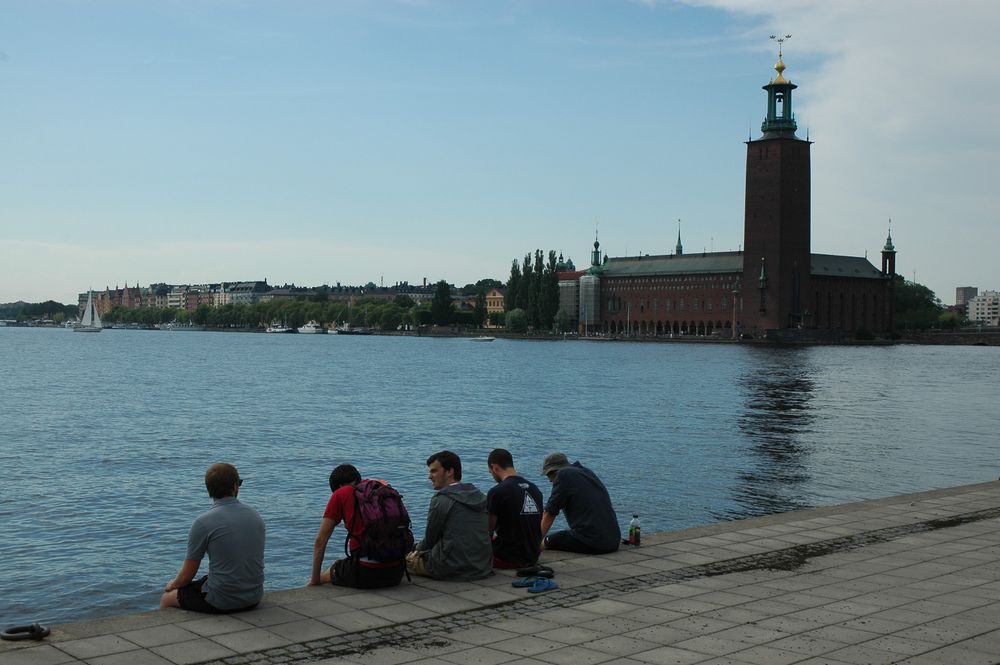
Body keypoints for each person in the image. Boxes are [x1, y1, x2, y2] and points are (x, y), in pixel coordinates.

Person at [161, 463, 265, 613]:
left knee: (167, 598)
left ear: (209, 489)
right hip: (254, 597)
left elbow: (186, 577)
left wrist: (171, 586)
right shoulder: (255, 516)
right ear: (235, 486)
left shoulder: (203, 522)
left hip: (222, 601)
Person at [308, 464, 406, 589]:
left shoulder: (341, 493)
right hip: (396, 572)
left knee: (327, 574)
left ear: (339, 487)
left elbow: (320, 541)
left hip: (365, 573)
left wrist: (315, 581)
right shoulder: (380, 487)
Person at [406, 450, 492, 581]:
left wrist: (412, 550)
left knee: (402, 561)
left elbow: (430, 540)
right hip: (482, 566)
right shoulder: (479, 496)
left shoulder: (441, 500)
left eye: (434, 471)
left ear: (450, 472)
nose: (429, 476)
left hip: (451, 568)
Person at [539, 452, 620, 555]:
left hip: (594, 542)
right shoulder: (586, 472)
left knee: (546, 541)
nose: (551, 483)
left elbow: (549, 513)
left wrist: (534, 541)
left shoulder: (563, 474)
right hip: (613, 540)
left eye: (549, 478)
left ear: (552, 472)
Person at [486, 448, 543, 569]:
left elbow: (487, 531)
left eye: (490, 472)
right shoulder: (535, 489)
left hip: (508, 558)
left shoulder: (497, 492)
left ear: (494, 467)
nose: (492, 475)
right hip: (532, 556)